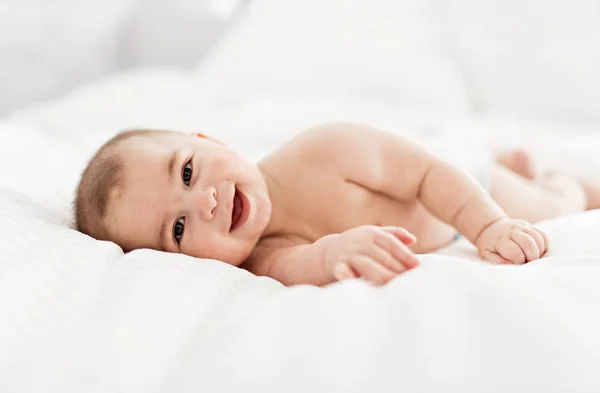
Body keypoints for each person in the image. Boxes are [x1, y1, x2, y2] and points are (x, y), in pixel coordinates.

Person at [74, 123, 599, 286]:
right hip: (439, 201)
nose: (206, 202)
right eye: (180, 229)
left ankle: (558, 178)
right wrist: (333, 254)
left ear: (211, 139)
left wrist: (489, 225)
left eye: (187, 171)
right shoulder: (260, 256)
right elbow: (303, 262)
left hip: (457, 183)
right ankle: (512, 160)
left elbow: (427, 175)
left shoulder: (323, 151)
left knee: (549, 208)